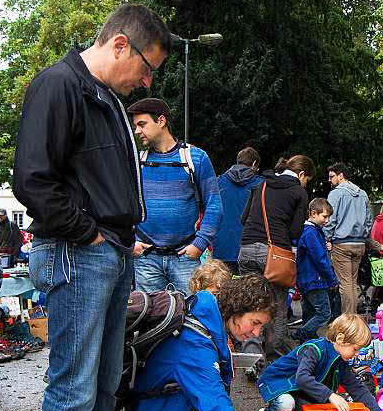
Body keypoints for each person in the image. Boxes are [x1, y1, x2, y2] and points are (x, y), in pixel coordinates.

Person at [12, 3, 172, 411]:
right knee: (74, 390)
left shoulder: (102, 97)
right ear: (121, 45)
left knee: (103, 388)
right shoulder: (59, 86)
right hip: (81, 254)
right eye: (148, 68)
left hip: (109, 251)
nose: (148, 81)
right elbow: (33, 179)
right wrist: (89, 236)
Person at [111, 274, 302, 411]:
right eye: (255, 323)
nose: (256, 333)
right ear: (237, 309)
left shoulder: (202, 315)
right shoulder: (194, 343)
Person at [128, 97, 223, 293]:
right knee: (148, 319)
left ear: (161, 121)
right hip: (146, 259)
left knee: (189, 316)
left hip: (185, 258)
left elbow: (214, 205)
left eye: (142, 124)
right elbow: (124, 206)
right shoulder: (137, 162)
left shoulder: (195, 158)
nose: (137, 131)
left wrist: (199, 244)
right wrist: (130, 241)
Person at [255, 313, 383, 411]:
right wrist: (331, 395)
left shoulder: (340, 361)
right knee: (286, 403)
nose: (358, 354)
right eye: (355, 349)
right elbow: (302, 378)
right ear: (340, 339)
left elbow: (357, 387)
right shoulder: (314, 349)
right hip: (278, 383)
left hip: (297, 390)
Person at [238, 155, 312, 363]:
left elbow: (244, 219)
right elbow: (296, 231)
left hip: (246, 249)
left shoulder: (260, 185)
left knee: (252, 302)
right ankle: (275, 354)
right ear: (301, 174)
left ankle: (251, 354)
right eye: (307, 179)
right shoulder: (298, 192)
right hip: (274, 254)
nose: (306, 183)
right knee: (277, 305)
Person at [325, 162, 372, 315]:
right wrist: (363, 236)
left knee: (345, 284)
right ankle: (352, 318)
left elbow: (330, 220)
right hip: (359, 243)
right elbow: (369, 220)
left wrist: (326, 238)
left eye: (332, 176)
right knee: (352, 282)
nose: (329, 180)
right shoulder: (363, 193)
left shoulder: (335, 194)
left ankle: (349, 319)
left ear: (341, 175)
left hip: (342, 244)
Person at [293, 198, 339, 342]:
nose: (327, 220)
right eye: (325, 216)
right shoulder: (311, 233)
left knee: (309, 312)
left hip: (307, 279)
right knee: (324, 313)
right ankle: (302, 333)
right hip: (315, 279)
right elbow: (320, 259)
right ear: (313, 213)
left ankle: (306, 340)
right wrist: (332, 279)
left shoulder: (309, 231)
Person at [215, 147, 264, 272]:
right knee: (250, 288)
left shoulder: (219, 181)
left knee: (223, 288)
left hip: (222, 245)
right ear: (254, 164)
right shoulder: (261, 184)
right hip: (251, 247)